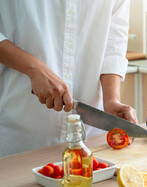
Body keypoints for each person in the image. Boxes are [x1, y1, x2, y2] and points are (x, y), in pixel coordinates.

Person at [0, 1, 135, 187]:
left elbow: (114, 35)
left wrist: (111, 100)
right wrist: (33, 67)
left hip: (87, 142)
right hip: (17, 133)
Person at [0, 0, 137, 159]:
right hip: (21, 135)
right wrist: (34, 67)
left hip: (91, 137)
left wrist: (112, 100)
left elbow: (114, 39)